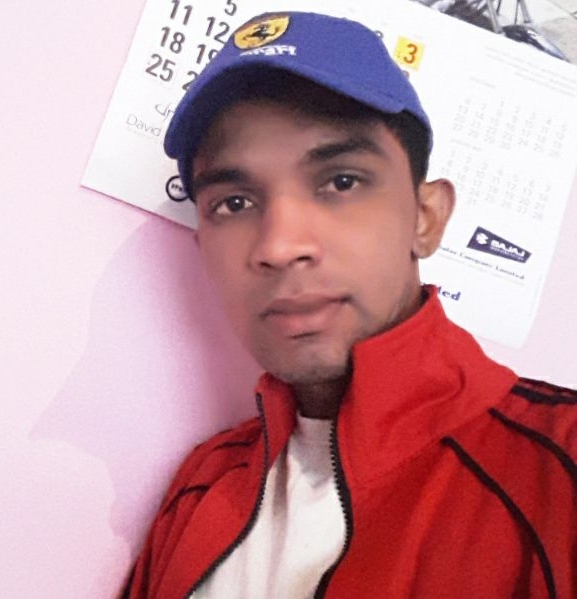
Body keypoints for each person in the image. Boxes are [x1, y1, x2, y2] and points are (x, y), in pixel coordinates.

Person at [123, 11, 576, 599]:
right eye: (234, 203)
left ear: (426, 217)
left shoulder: (561, 468)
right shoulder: (200, 484)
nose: (280, 246)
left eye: (341, 182)